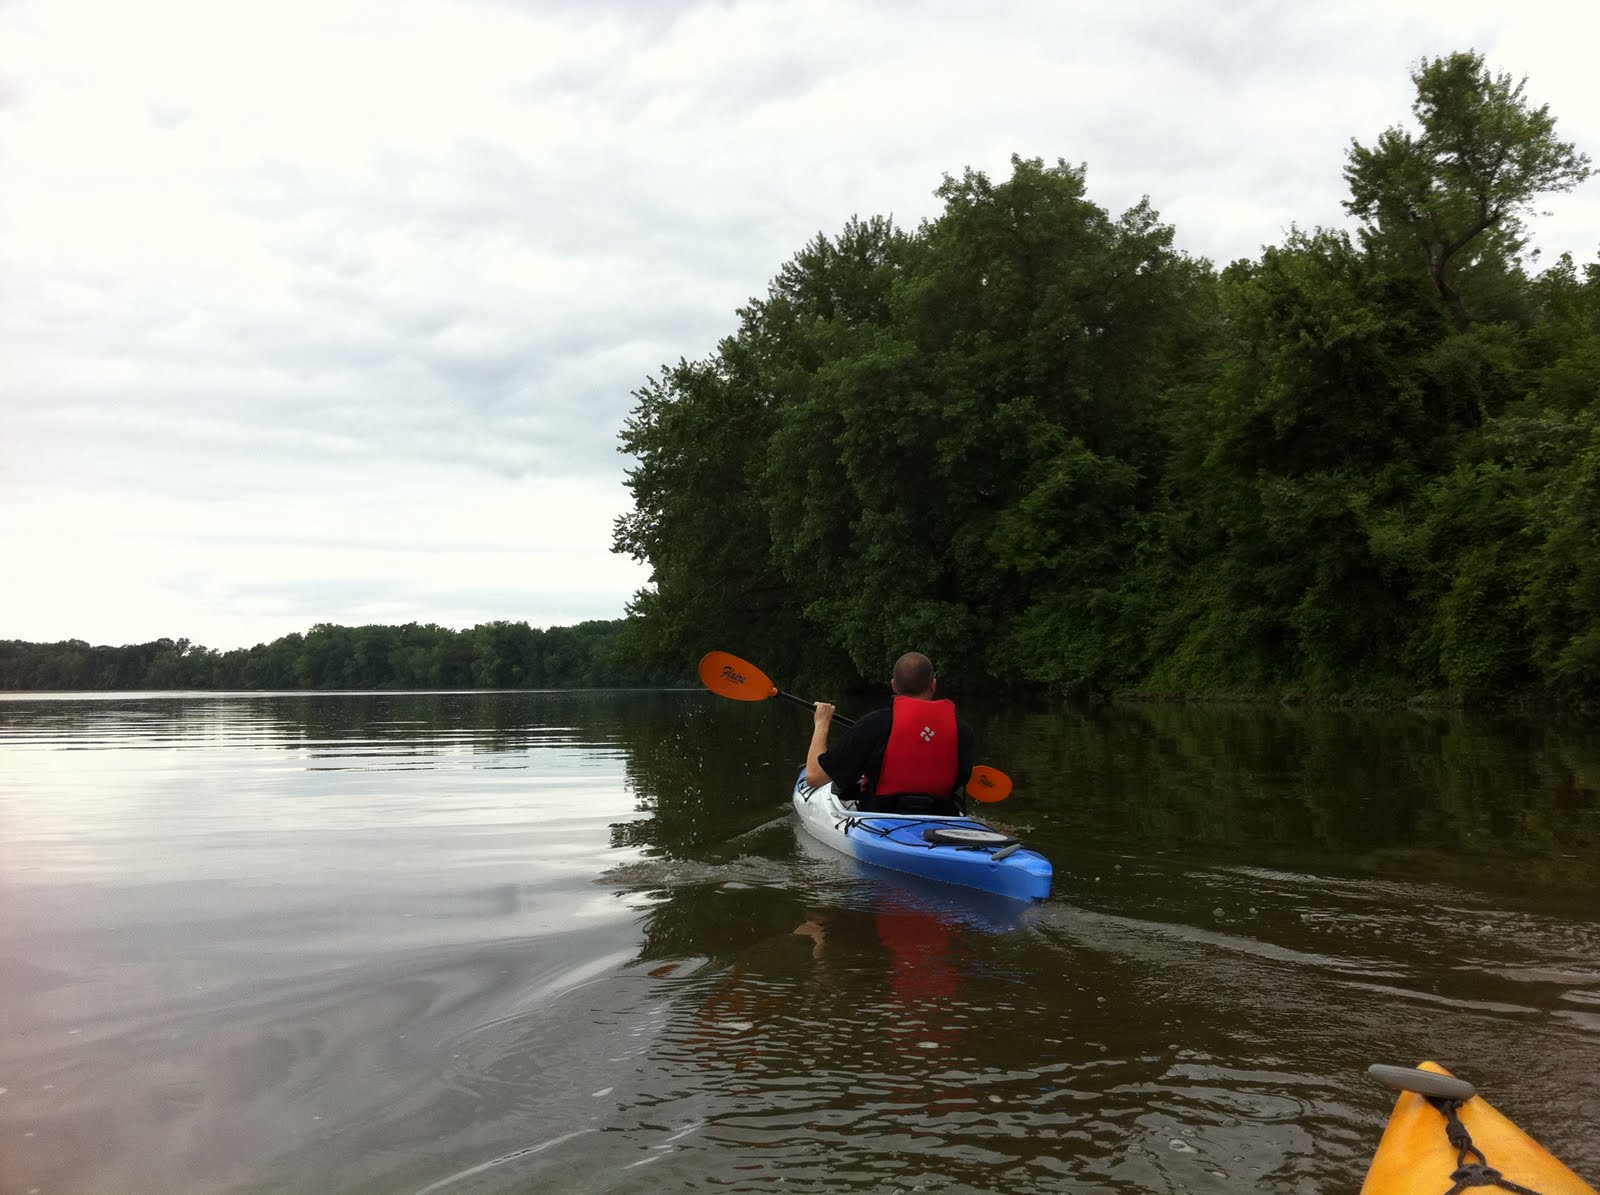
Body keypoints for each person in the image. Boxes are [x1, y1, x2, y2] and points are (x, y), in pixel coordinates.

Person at [803, 651, 974, 815]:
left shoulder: (873, 724)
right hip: (942, 817)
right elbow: (962, 778)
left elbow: (815, 776)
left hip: (880, 817)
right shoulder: (962, 730)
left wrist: (822, 723)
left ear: (894, 686)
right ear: (934, 684)